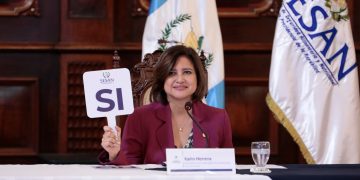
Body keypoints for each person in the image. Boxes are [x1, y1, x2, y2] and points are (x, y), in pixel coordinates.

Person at [98, 45, 233, 165]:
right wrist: (115, 153)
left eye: (187, 72)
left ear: (198, 77)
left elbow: (228, 167)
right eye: (171, 73)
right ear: (162, 79)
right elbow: (129, 168)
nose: (180, 79)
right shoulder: (140, 117)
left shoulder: (219, 118)